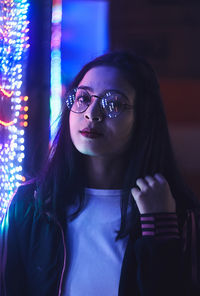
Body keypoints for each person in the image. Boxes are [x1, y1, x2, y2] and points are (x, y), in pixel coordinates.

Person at [0, 50, 200, 296]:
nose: (92, 113)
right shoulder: (29, 203)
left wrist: (159, 226)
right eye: (83, 98)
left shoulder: (178, 213)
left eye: (113, 103)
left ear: (143, 118)